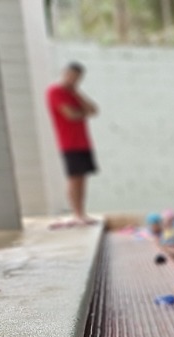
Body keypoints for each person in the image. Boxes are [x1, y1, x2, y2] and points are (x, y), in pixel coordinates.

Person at [45, 62, 99, 226]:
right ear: (64, 73)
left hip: (83, 142)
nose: (72, 80)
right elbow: (70, 115)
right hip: (69, 142)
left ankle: (82, 213)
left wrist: (77, 93)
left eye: (76, 77)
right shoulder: (55, 91)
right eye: (70, 76)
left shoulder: (74, 94)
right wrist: (84, 112)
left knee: (83, 178)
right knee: (74, 178)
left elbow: (94, 110)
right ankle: (76, 214)